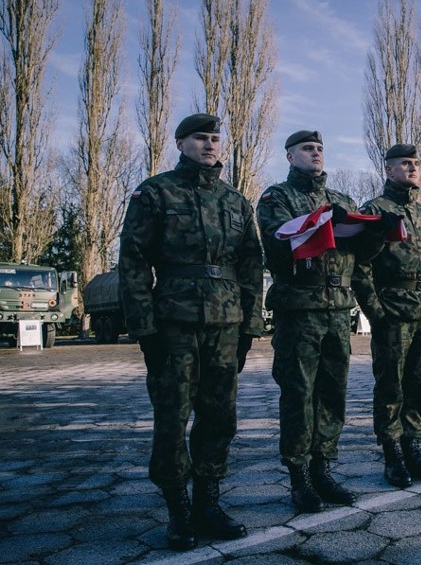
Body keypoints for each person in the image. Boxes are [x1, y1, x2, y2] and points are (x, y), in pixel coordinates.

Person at [119, 113, 263, 550]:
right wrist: (145, 329)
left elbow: (251, 265)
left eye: (215, 138)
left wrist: (248, 327)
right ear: (181, 143)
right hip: (174, 323)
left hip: (225, 325)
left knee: (220, 418)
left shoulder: (236, 201)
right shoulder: (155, 192)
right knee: (172, 416)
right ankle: (178, 510)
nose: (210, 145)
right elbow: (134, 262)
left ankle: (208, 502)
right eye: (200, 138)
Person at [256, 130, 383, 513]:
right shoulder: (276, 197)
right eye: (308, 149)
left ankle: (323, 468)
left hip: (337, 309)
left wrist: (377, 231)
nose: (316, 153)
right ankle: (299, 477)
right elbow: (281, 241)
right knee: (299, 394)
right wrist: (322, 220)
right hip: (299, 308)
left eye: (320, 149)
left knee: (332, 393)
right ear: (290, 156)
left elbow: (361, 258)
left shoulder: (342, 200)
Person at [352, 143, 421, 487]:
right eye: (405, 164)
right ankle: (392, 454)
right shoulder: (374, 210)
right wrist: (376, 312)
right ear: (388, 170)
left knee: (419, 384)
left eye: (416, 163)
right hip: (393, 309)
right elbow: (359, 266)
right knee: (391, 384)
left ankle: (413, 446)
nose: (413, 168)